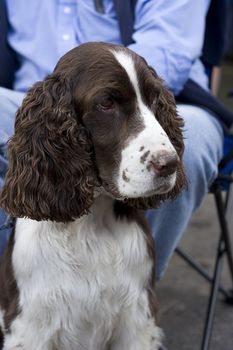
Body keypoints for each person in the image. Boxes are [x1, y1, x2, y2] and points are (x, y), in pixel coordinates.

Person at [0, 0, 224, 278]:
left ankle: (129, 292)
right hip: (34, 104)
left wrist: (94, 96)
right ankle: (19, 293)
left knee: (191, 149)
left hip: (160, 97)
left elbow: (168, 50)